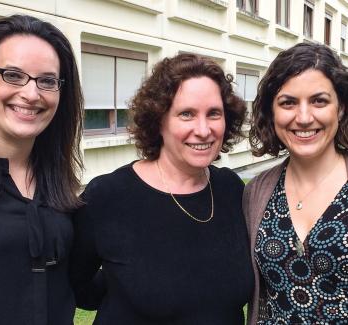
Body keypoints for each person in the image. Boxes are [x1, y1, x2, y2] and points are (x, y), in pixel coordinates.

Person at [70, 53, 254, 324]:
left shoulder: (231, 189)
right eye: (186, 114)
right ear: (159, 120)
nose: (203, 130)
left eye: (213, 113)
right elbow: (74, 286)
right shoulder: (108, 196)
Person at [0, 15, 84, 324]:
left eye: (47, 81)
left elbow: (80, 284)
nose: (31, 94)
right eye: (13, 75)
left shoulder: (59, 187)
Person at [243, 42, 348, 324]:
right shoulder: (257, 192)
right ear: (272, 112)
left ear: (340, 108)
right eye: (288, 102)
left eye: (319, 101)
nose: (303, 118)